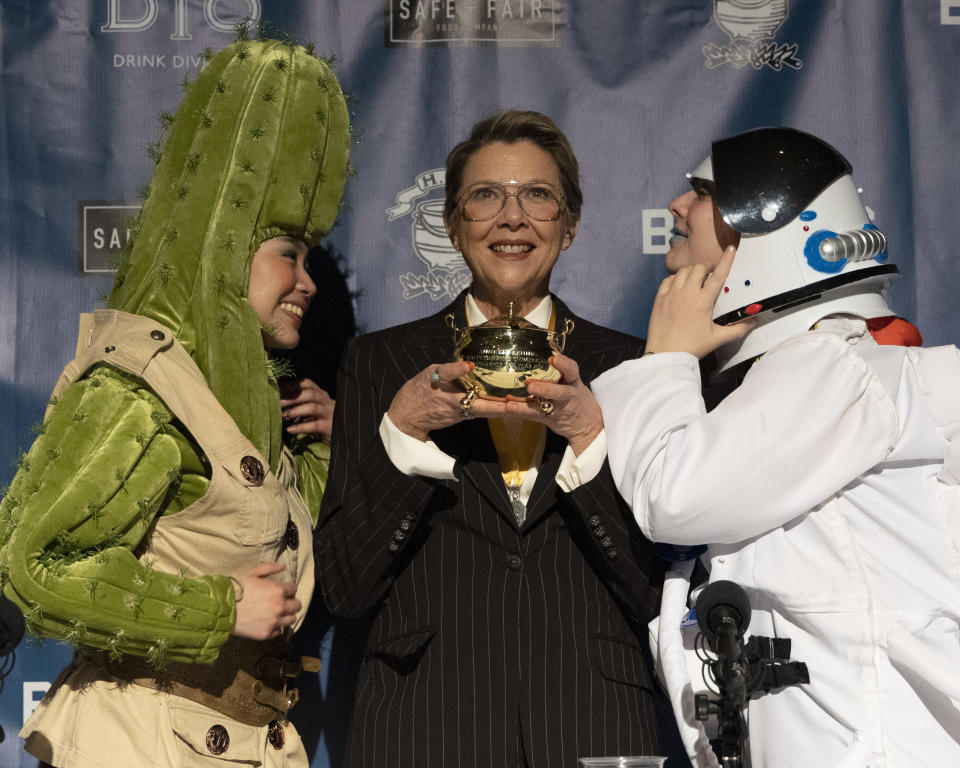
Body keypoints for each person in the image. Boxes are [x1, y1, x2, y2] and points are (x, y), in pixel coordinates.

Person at [0, 35, 350, 768]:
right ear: (224, 247)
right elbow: (29, 563)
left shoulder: (247, 402)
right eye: (287, 251)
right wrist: (218, 610)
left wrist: (322, 447)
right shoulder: (135, 389)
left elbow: (244, 534)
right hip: (137, 743)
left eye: (311, 257)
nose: (307, 281)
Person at [593, 127, 960, 767]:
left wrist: (667, 356)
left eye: (704, 193)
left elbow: (675, 499)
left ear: (775, 235)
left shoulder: (832, 364)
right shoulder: (817, 374)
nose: (676, 206)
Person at [315, 110, 667, 768]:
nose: (513, 217)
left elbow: (661, 593)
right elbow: (344, 588)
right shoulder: (383, 365)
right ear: (453, 224)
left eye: (538, 195)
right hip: (425, 727)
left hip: (590, 723)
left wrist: (591, 443)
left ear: (571, 222)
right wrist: (404, 437)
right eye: (486, 195)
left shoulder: (632, 369)